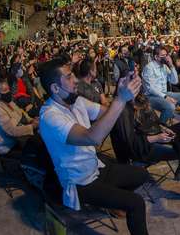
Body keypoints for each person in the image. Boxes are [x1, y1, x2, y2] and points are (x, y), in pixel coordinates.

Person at [38, 57, 149, 235]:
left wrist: (123, 94)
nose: (75, 80)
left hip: (95, 167)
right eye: (68, 77)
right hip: (80, 182)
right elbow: (93, 137)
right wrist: (120, 100)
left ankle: (112, 202)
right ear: (55, 88)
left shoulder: (76, 101)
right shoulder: (50, 116)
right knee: (136, 203)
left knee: (142, 175)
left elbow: (109, 114)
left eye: (73, 74)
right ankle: (111, 201)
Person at [111, 92, 180, 203]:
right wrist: (156, 138)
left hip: (156, 137)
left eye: (138, 79)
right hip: (143, 148)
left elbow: (155, 121)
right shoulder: (122, 108)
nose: (139, 82)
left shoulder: (141, 98)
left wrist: (164, 128)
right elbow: (131, 144)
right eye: (135, 79)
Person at [142, 46, 180, 132]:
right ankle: (158, 129)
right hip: (150, 96)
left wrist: (171, 66)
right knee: (170, 106)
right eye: (163, 55)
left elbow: (174, 81)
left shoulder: (164, 66)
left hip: (163, 93)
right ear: (156, 57)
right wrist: (165, 97)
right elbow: (150, 88)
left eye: (166, 55)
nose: (166, 57)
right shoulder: (149, 67)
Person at [0, 80, 38, 157]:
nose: (8, 92)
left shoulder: (10, 103)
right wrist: (32, 126)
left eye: (8, 89)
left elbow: (21, 114)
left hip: (19, 140)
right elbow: (12, 131)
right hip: (8, 146)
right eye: (5, 90)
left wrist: (32, 120)